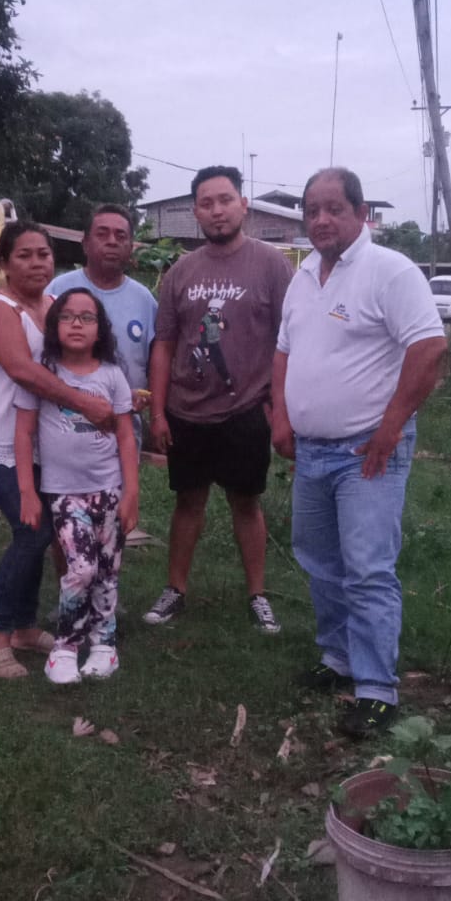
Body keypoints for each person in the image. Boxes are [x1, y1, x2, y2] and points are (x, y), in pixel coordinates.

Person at [271, 167, 447, 737]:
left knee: (367, 568)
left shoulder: (390, 271)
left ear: (361, 214)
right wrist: (281, 416)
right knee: (319, 560)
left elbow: (429, 347)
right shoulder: (304, 277)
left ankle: (376, 689)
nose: (321, 220)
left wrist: (391, 427)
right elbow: (284, 351)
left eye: (334, 209)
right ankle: (339, 657)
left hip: (367, 450)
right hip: (312, 451)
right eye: (312, 210)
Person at [144, 165, 293, 633]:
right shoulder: (180, 272)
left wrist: (280, 406)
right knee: (188, 501)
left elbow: (290, 340)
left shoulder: (272, 265)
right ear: (195, 212)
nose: (217, 210)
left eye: (225, 200)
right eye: (206, 203)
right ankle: (174, 589)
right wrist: (158, 412)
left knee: (246, 503)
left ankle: (258, 595)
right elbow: (164, 344)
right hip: (186, 410)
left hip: (246, 408)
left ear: (243, 205)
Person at [0, 222, 116, 679]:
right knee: (32, 532)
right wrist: (86, 404)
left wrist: (111, 392)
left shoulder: (50, 305)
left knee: (39, 531)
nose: (37, 263)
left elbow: (69, 362)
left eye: (44, 254)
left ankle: (24, 628)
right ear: (4, 264)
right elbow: (24, 372)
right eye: (25, 255)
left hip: (38, 445)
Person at [13, 288, 139, 685]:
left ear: (100, 328)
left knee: (107, 571)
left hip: (110, 490)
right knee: (81, 569)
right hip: (64, 494)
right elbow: (23, 433)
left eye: (87, 317)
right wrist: (27, 491)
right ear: (54, 326)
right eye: (67, 316)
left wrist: (132, 493)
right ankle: (65, 647)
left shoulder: (112, 375)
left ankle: (104, 645)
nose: (77, 324)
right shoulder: (43, 375)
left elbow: (126, 437)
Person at [48, 204, 158, 446]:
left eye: (121, 236)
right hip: (63, 428)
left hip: (124, 430)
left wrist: (149, 402)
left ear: (131, 247)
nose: (112, 241)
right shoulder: (57, 290)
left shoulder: (145, 300)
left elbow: (155, 363)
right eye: (102, 234)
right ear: (85, 243)